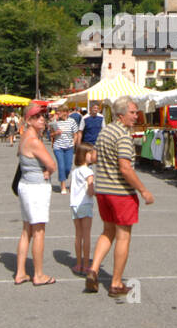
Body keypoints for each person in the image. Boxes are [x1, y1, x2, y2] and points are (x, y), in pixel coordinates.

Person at [85, 96, 154, 297]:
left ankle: (93, 269)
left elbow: (95, 157)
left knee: (107, 232)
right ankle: (116, 283)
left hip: (104, 191)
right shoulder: (123, 136)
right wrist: (143, 190)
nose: (136, 116)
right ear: (121, 114)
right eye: (132, 112)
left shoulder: (105, 131)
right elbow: (125, 168)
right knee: (123, 237)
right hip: (120, 193)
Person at [14, 102, 58, 285]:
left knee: (26, 231)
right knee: (38, 231)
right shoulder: (34, 141)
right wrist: (48, 171)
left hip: (25, 185)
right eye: (37, 117)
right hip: (36, 188)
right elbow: (52, 165)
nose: (42, 119)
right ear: (29, 120)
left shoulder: (25, 137)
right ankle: (38, 274)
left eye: (43, 116)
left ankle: (20, 272)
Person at [70, 142, 96, 276]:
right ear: (85, 155)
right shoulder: (88, 171)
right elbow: (90, 190)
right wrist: (97, 192)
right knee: (86, 235)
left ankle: (78, 263)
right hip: (85, 204)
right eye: (91, 153)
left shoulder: (75, 171)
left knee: (78, 234)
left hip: (74, 204)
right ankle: (86, 264)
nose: (93, 155)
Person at [52, 107, 78, 192]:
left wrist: (74, 143)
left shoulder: (72, 121)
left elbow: (75, 134)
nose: (59, 113)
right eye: (58, 111)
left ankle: (63, 176)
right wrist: (55, 133)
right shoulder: (56, 122)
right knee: (61, 166)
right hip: (58, 147)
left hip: (69, 147)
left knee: (68, 167)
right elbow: (50, 134)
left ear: (66, 112)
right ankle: (63, 185)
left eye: (60, 111)